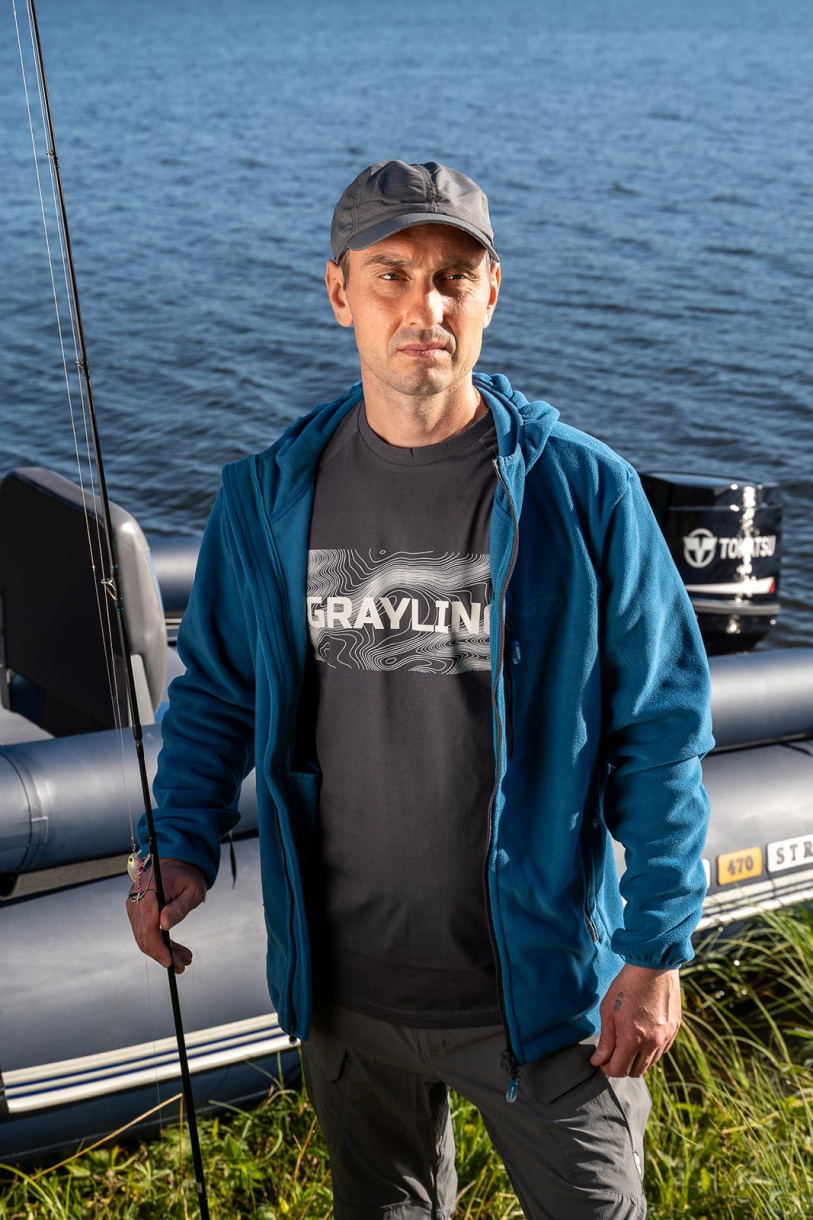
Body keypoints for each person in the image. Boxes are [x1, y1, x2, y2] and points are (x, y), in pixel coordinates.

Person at [128, 160, 714, 1219]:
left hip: (545, 998)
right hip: (347, 994)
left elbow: (660, 729)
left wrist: (657, 946)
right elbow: (215, 694)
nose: (424, 307)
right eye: (391, 275)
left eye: (453, 277)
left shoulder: (584, 491)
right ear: (339, 292)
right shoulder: (265, 496)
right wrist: (176, 842)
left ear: (492, 292)